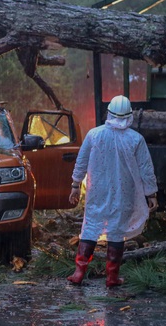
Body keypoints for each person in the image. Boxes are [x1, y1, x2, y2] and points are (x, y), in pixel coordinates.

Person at [67, 95, 158, 287]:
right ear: (129, 115)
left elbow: (81, 161)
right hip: (123, 194)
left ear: (109, 113)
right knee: (116, 234)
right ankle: (112, 277)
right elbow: (145, 168)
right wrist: (151, 194)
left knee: (90, 228)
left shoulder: (94, 134)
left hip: (96, 192)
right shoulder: (136, 139)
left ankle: (78, 273)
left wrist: (75, 185)